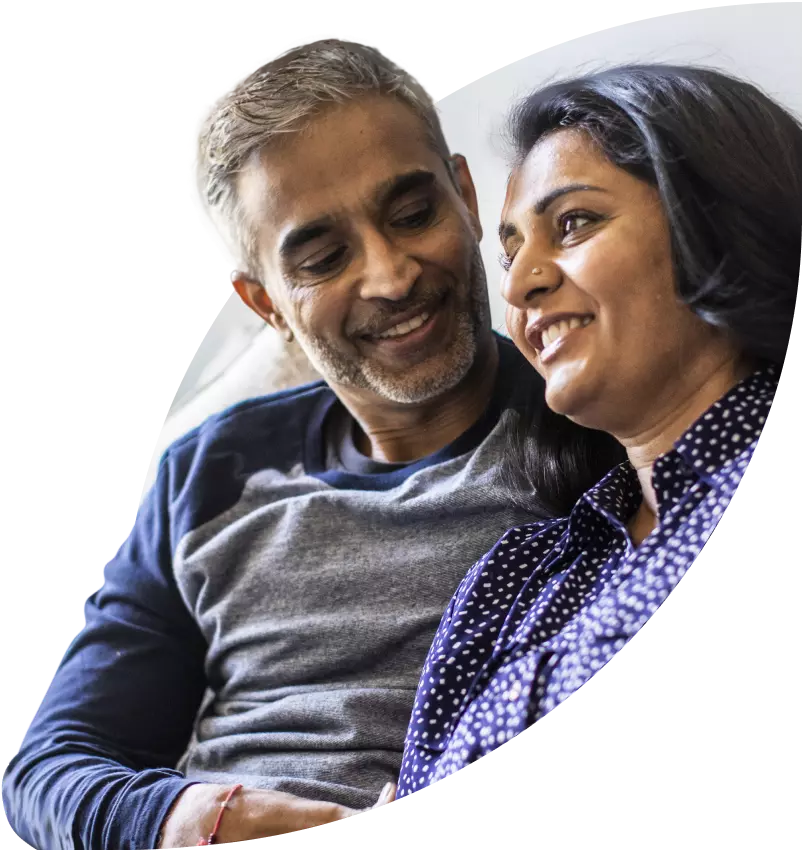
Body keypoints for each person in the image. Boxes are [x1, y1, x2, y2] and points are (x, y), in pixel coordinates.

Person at [0, 38, 623, 849]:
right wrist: (180, 818)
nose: (392, 276)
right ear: (265, 302)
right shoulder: (208, 474)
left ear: (467, 197)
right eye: (324, 257)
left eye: (412, 213)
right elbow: (49, 767)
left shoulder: (598, 425)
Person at [397, 63, 802, 799]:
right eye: (512, 252)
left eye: (574, 223)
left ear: (712, 217)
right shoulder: (513, 578)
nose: (518, 288)